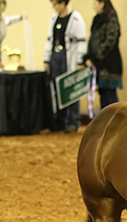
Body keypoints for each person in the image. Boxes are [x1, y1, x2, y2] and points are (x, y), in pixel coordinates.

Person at [43, 0, 86, 133]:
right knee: (57, 88)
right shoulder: (53, 19)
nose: (54, 7)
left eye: (55, 4)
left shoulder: (76, 18)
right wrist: (46, 59)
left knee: (71, 89)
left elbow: (81, 41)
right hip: (56, 56)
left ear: (63, 3)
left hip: (70, 58)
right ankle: (60, 121)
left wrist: (80, 61)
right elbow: (49, 39)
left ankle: (73, 121)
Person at [84, 0, 123, 109]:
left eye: (95, 3)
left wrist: (97, 58)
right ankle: (106, 123)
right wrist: (89, 57)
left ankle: (115, 123)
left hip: (109, 65)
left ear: (102, 3)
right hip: (98, 66)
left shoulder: (111, 18)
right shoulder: (97, 19)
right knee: (103, 95)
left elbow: (110, 41)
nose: (93, 7)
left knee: (110, 96)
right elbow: (92, 40)